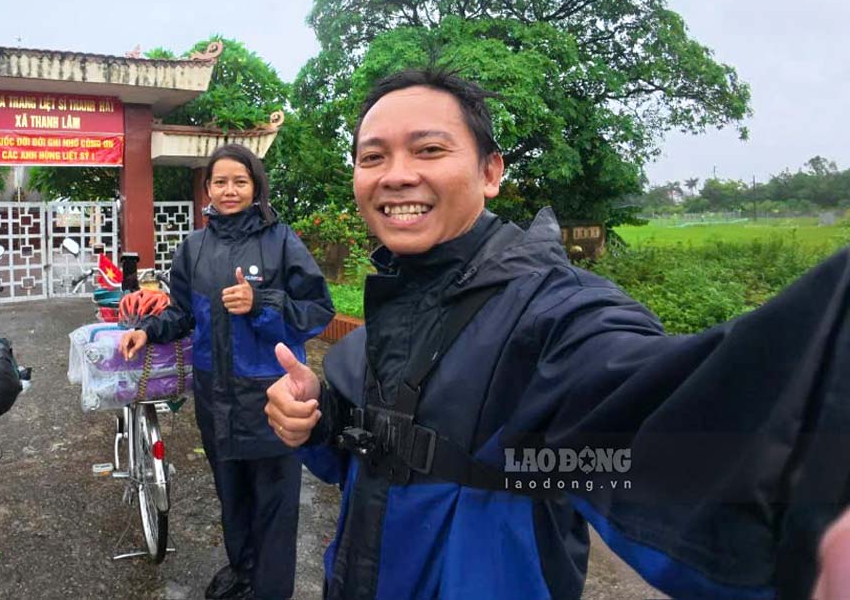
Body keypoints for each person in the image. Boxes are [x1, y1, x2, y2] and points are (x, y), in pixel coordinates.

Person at [263, 68, 850, 599]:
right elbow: (371, 466)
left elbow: (662, 415)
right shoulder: (389, 309)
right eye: (373, 158)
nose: (396, 176)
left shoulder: (553, 314)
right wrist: (318, 420)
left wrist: (812, 496)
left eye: (430, 149)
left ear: (491, 171)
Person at [119, 143, 334, 600]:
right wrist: (148, 331)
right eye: (220, 181)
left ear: (255, 186)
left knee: (274, 505)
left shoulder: (280, 241)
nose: (230, 190)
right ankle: (243, 572)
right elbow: (181, 313)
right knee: (231, 495)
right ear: (208, 189)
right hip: (215, 397)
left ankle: (271, 590)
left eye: (240, 181)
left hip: (271, 396)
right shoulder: (194, 247)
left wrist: (261, 303)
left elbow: (317, 311)